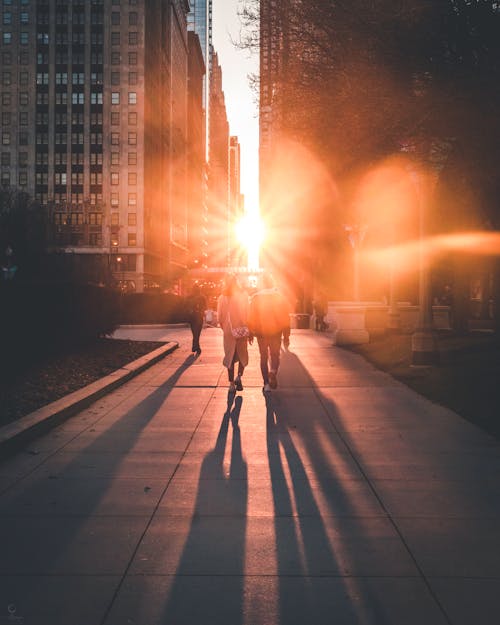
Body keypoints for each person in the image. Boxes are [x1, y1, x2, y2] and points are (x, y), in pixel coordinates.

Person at [248, 272, 291, 393]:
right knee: (275, 355)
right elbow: (285, 317)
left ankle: (266, 384)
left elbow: (251, 317)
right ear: (272, 283)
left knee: (263, 357)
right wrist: (286, 335)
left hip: (261, 333)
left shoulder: (256, 297)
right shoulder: (279, 297)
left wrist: (250, 333)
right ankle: (273, 372)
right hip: (276, 333)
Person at [217, 274, 251, 393]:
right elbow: (248, 313)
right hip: (242, 329)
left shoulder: (222, 297)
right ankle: (239, 377)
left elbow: (219, 317)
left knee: (229, 355)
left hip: (228, 331)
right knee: (243, 354)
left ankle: (231, 384)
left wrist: (225, 328)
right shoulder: (244, 295)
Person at [185, 283, 207, 354]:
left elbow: (185, 306)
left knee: (194, 333)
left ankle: (195, 346)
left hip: (192, 317)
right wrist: (201, 311)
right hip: (199, 317)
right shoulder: (202, 297)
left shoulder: (189, 297)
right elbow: (205, 306)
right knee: (197, 333)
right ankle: (197, 347)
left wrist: (190, 311)